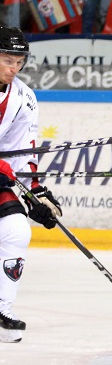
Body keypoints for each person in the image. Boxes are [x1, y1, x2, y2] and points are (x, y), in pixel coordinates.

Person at [0, 26, 62, 340]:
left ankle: (1, 310)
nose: (14, 67)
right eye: (7, 59)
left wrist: (34, 192)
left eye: (19, 60)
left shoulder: (24, 98)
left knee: (16, 229)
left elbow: (21, 150)